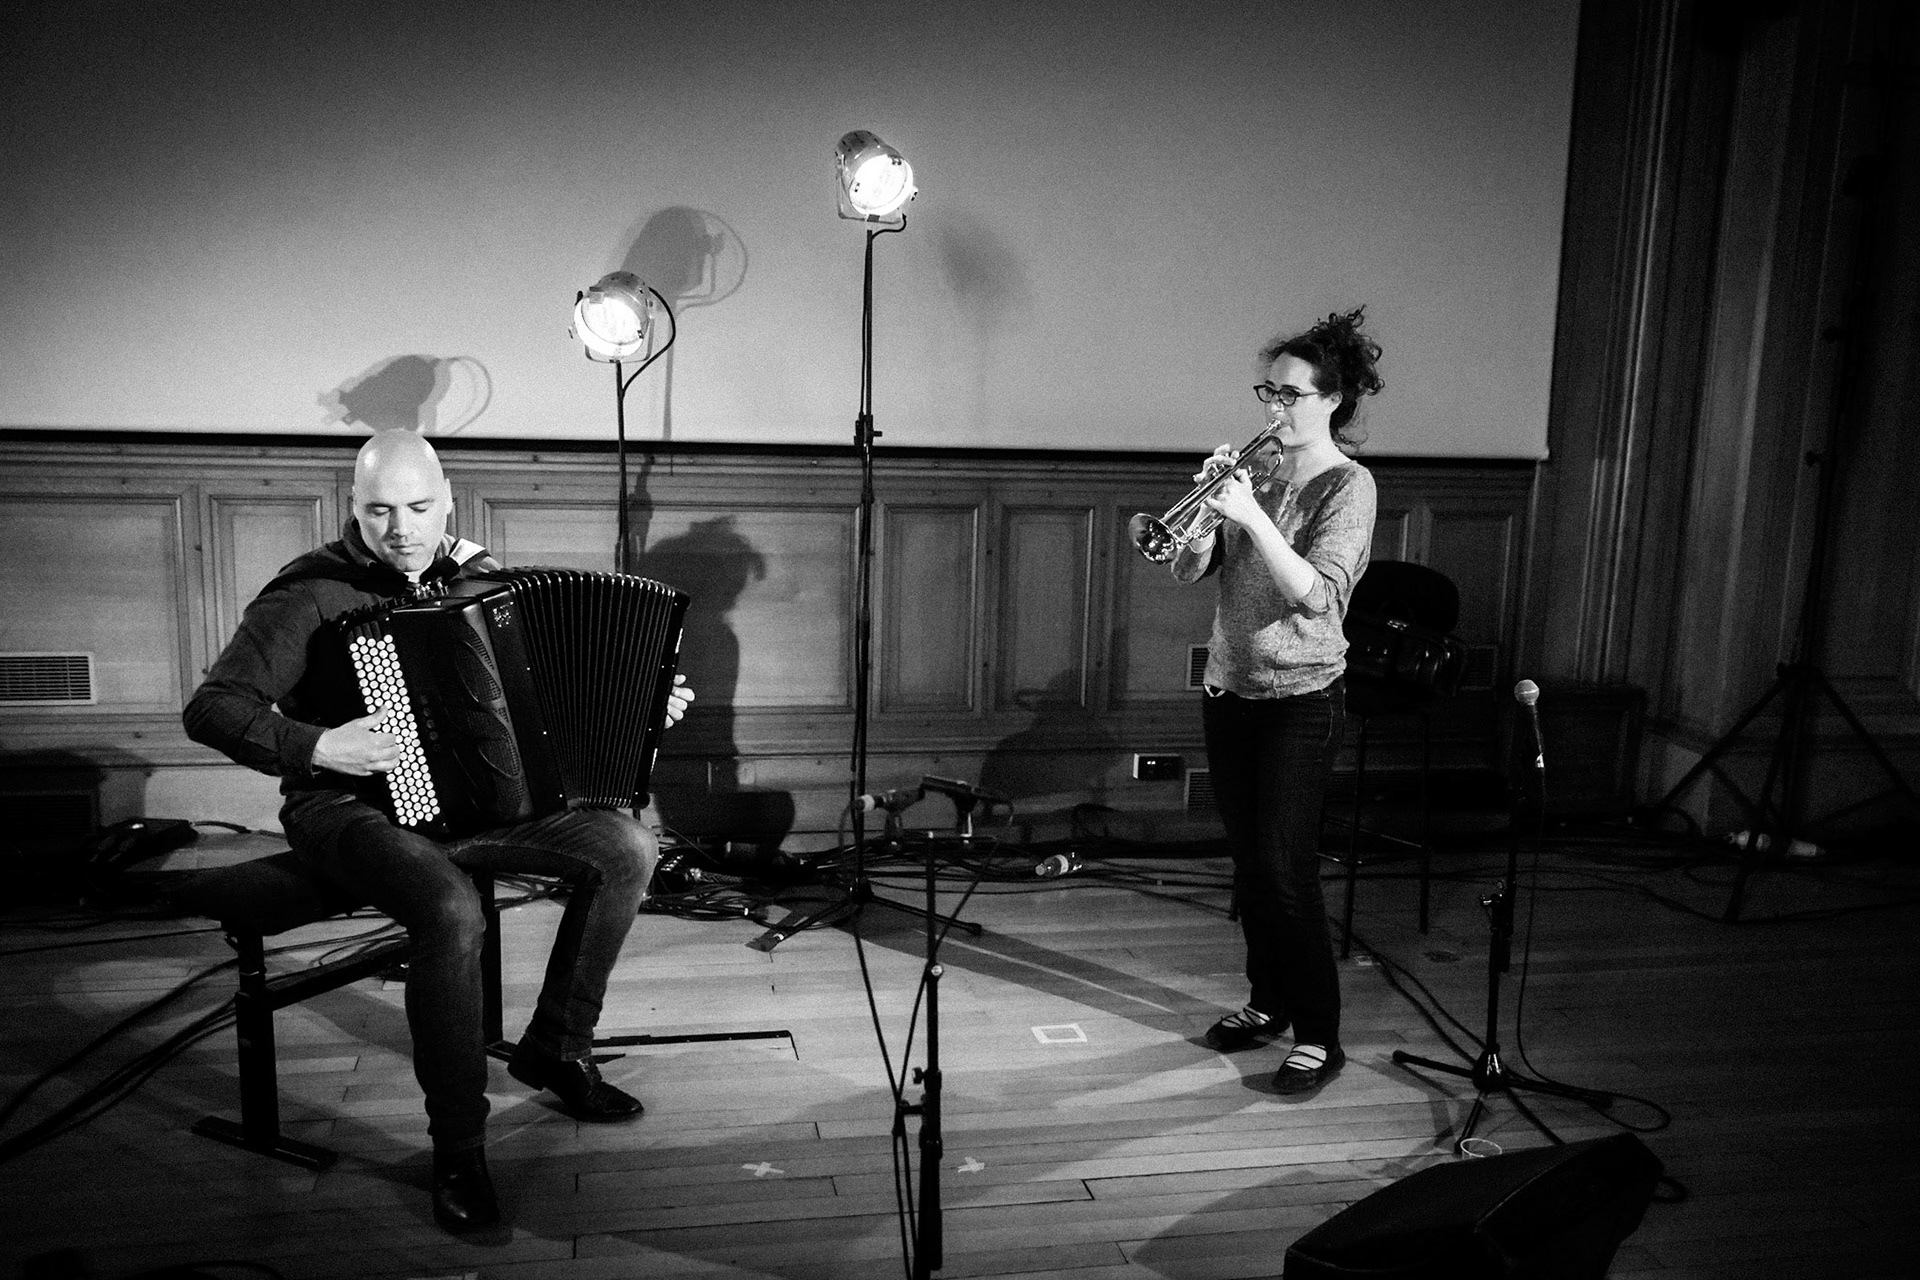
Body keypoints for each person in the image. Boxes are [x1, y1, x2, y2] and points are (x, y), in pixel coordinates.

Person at [183, 429, 694, 1233]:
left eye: (419, 508)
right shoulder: (312, 593)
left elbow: (545, 710)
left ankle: (558, 1047)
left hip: (478, 807)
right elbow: (212, 708)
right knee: (451, 912)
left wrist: (637, 706)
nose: (401, 529)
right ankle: (460, 1147)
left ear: (447, 498)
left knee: (627, 847)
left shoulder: (481, 575)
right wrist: (319, 743)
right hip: (344, 808)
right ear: (353, 507)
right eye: (380, 510)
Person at [1169, 307, 1382, 1097]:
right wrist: (1200, 516)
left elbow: (1317, 597)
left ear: (1333, 400)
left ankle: (1320, 1036)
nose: (1274, 408)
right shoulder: (1253, 472)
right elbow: (1191, 573)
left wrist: (1252, 515)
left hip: (1301, 699)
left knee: (1287, 870)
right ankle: (1269, 1004)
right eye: (1269, 391)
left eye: (1290, 395)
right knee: (1250, 866)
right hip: (1230, 689)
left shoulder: (1348, 486)